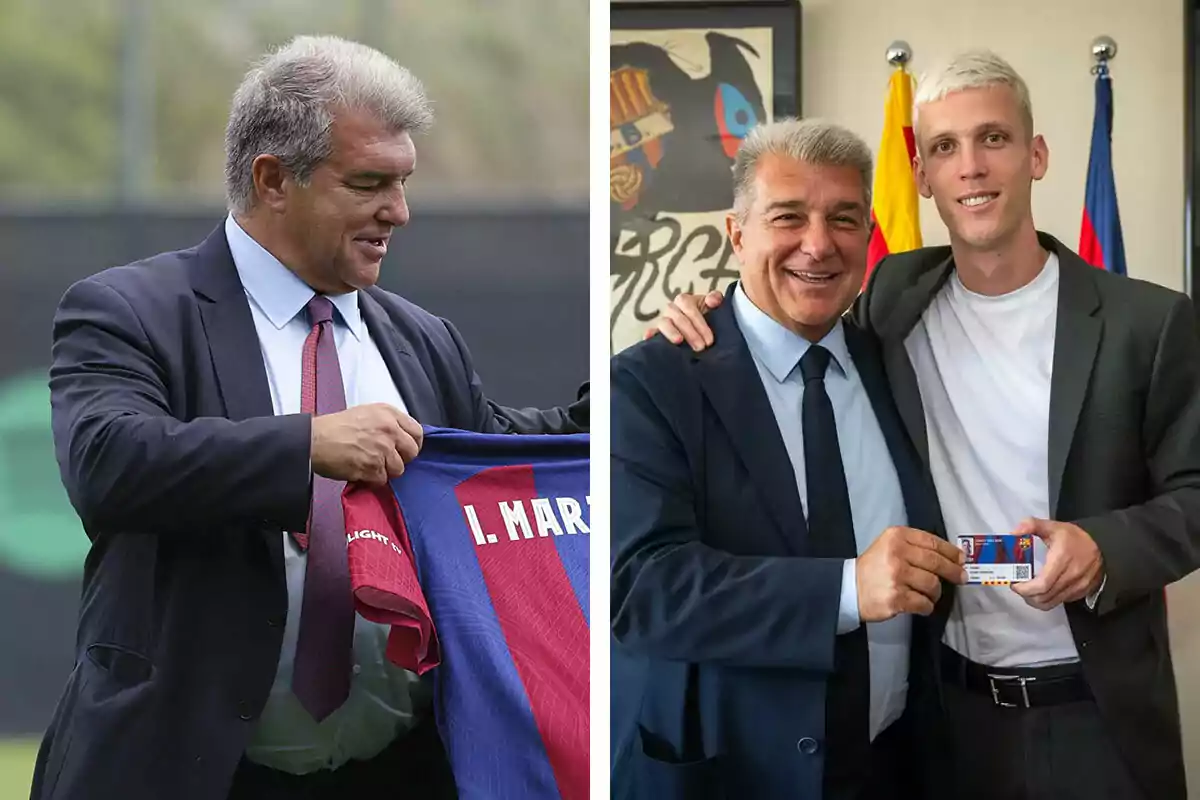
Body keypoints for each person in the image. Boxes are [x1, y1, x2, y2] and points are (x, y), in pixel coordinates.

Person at [32, 35, 587, 800]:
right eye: (369, 183)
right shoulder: (130, 309)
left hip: (400, 771)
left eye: (403, 182)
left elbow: (491, 446)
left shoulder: (423, 337)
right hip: (193, 770)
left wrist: (650, 378)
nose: (400, 211)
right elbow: (109, 461)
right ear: (272, 180)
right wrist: (310, 444)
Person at [651, 50, 1200, 800]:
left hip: (1095, 713)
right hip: (944, 717)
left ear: (1036, 155)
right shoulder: (891, 300)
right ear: (922, 177)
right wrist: (708, 308)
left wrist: (1106, 548)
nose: (970, 166)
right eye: (944, 147)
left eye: (994, 139)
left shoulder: (1151, 322)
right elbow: (787, 288)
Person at [610, 117, 967, 800]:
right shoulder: (652, 381)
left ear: (868, 234)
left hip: (893, 764)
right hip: (728, 774)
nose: (818, 244)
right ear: (737, 233)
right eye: (788, 217)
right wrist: (845, 589)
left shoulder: (893, 359)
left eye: (843, 218)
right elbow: (643, 588)